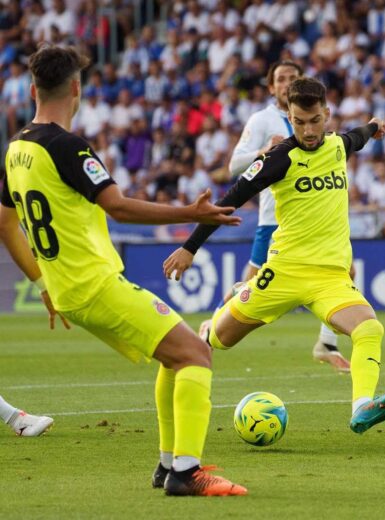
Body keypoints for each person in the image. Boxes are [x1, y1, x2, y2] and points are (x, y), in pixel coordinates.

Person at [0, 46, 245, 496]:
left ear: (33, 89)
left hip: (70, 287)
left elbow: (4, 221)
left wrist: (41, 282)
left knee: (175, 354)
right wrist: (191, 212)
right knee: (196, 354)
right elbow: (116, 206)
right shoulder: (66, 146)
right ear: (77, 89)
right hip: (93, 284)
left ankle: (168, 464)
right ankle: (187, 474)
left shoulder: (16, 149)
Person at [162, 77, 385, 435]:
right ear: (289, 117)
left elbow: (358, 135)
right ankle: (210, 325)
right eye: (298, 122)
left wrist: (374, 126)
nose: (307, 130)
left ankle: (361, 406)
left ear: (327, 114)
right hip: (283, 273)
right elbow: (230, 198)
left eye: (315, 120)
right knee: (221, 339)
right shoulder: (279, 159)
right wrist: (189, 247)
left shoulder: (338, 146)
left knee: (370, 327)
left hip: (330, 279)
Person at [223, 60, 351, 372]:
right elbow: (233, 166)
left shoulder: (312, 117)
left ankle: (326, 343)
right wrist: (263, 152)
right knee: (249, 290)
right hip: (274, 220)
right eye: (280, 78)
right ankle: (213, 326)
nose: (286, 83)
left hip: (312, 220)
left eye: (292, 78)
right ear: (271, 87)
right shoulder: (262, 119)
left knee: (346, 273)